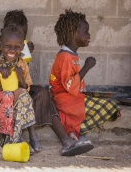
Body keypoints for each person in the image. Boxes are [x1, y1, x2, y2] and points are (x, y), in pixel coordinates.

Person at [0, 10, 94, 156]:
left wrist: (22, 70)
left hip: (16, 94)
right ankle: (5, 136)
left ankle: (57, 138)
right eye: (11, 36)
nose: (14, 46)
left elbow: (25, 86)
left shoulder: (20, 59)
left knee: (38, 94)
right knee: (10, 96)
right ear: (2, 38)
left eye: (19, 40)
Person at [50, 9, 120, 143]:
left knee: (104, 105)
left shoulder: (70, 54)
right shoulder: (65, 57)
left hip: (72, 97)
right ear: (73, 33)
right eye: (86, 31)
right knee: (110, 107)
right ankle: (76, 130)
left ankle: (73, 130)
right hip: (66, 100)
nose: (89, 35)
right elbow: (70, 85)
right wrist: (87, 67)